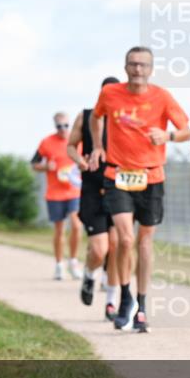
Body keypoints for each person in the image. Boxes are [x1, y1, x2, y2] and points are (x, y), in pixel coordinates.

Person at [89, 47, 190, 332]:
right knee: (124, 240)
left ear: (151, 68)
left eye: (143, 65)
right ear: (125, 67)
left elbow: (187, 130)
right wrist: (98, 146)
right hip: (118, 175)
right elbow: (95, 117)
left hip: (152, 177)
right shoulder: (110, 94)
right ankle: (124, 297)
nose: (137, 69)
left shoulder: (161, 97)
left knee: (144, 243)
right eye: (133, 64)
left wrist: (168, 135)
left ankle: (142, 306)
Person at [67, 77, 122, 317]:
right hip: (92, 188)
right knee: (99, 249)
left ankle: (111, 302)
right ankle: (89, 275)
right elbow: (71, 146)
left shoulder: (125, 120)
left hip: (120, 188)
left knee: (117, 245)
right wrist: (80, 161)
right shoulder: (86, 116)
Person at [32, 113, 84, 280]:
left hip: (74, 191)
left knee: (76, 225)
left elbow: (85, 160)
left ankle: (74, 261)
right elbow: (34, 164)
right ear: (55, 127)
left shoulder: (78, 141)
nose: (63, 129)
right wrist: (46, 166)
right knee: (59, 229)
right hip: (55, 193)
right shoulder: (46, 142)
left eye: (66, 125)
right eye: (59, 126)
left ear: (70, 126)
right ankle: (59, 264)